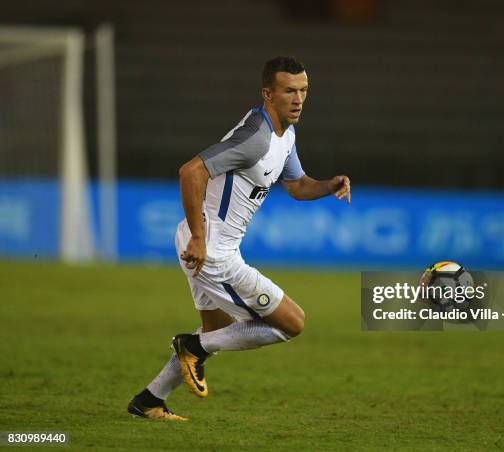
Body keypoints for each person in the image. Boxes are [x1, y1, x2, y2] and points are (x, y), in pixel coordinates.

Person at [128, 56, 351, 420]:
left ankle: (150, 400)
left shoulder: (285, 134)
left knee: (218, 331)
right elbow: (191, 172)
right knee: (290, 323)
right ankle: (191, 347)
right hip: (212, 252)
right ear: (268, 94)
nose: (298, 99)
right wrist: (200, 238)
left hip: (203, 243)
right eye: (289, 91)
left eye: (304, 91)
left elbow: (295, 185)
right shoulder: (255, 138)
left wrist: (330, 185)